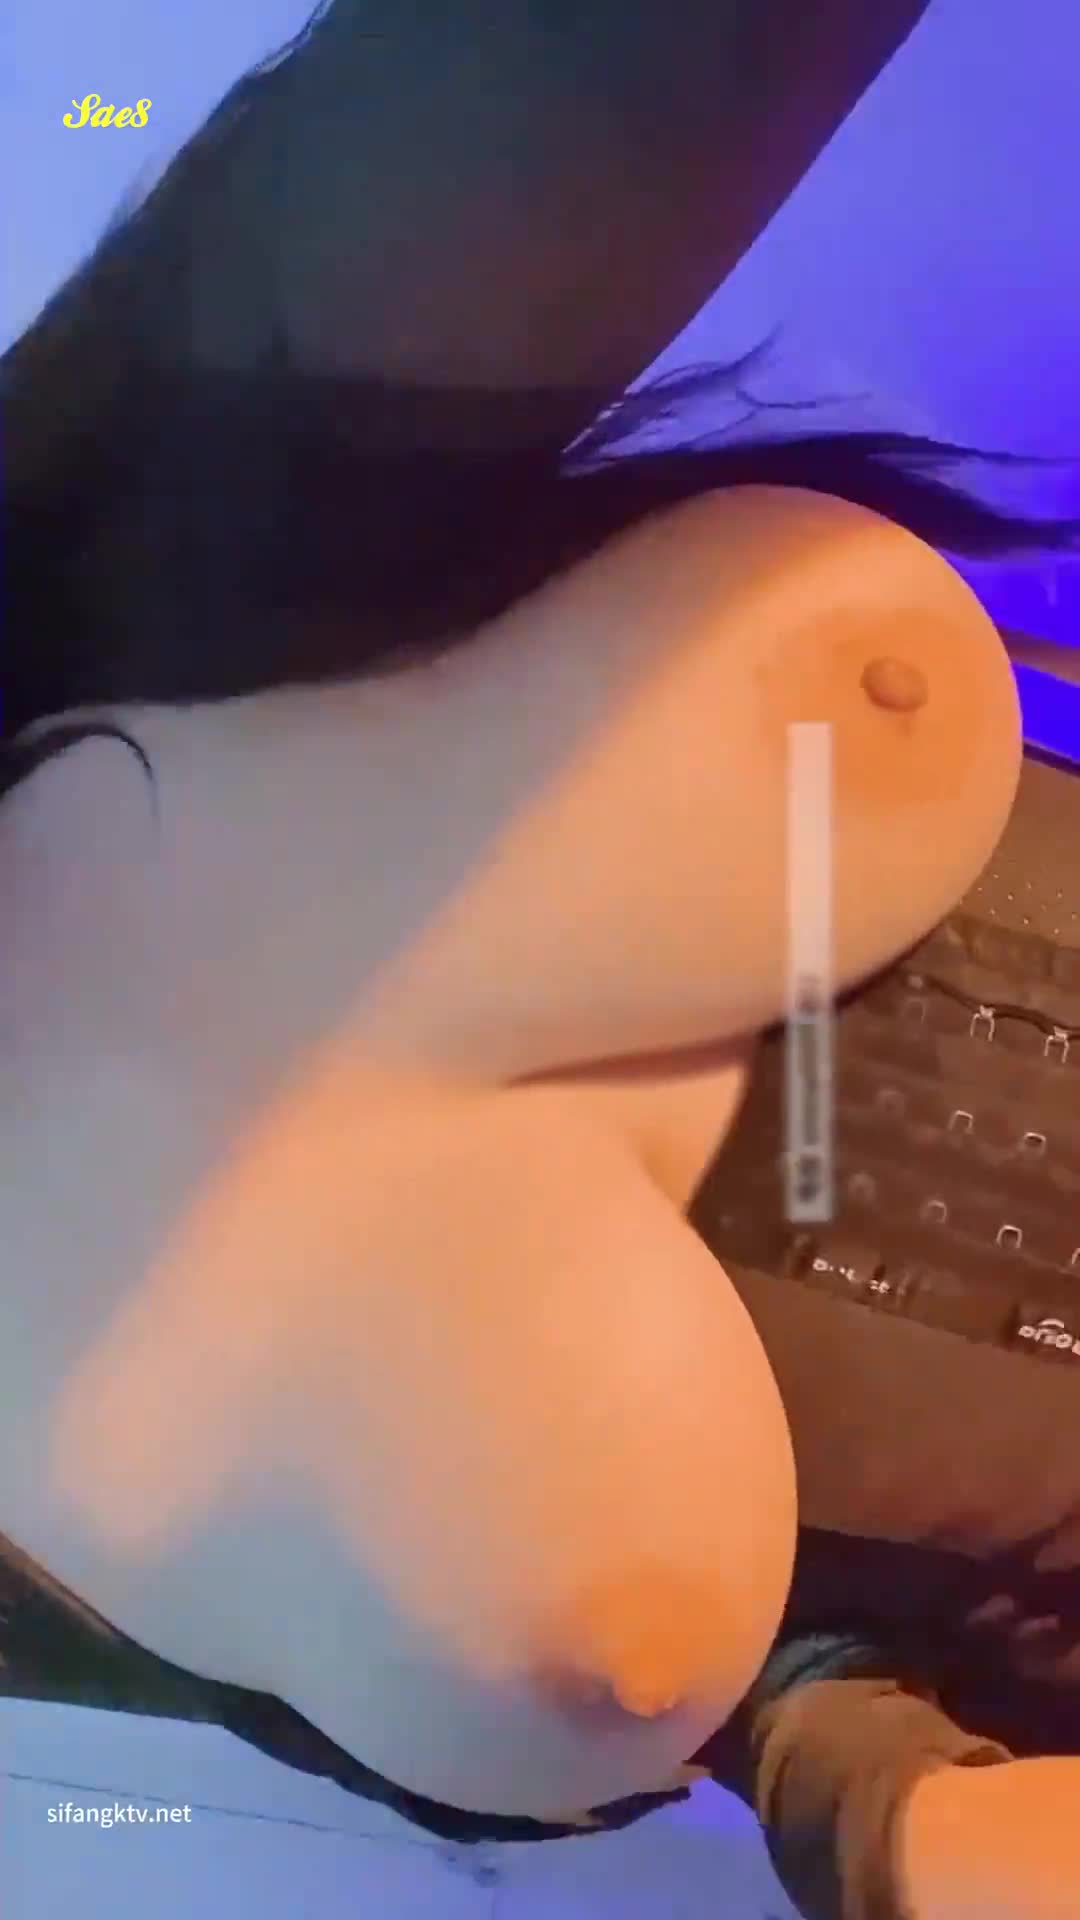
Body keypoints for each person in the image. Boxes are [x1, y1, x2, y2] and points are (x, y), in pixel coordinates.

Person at [4, 5, 1080, 1918]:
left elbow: (576, 100)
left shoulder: (104, 568)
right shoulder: (63, 1522)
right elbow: (650, 1660)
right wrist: (888, 1815)